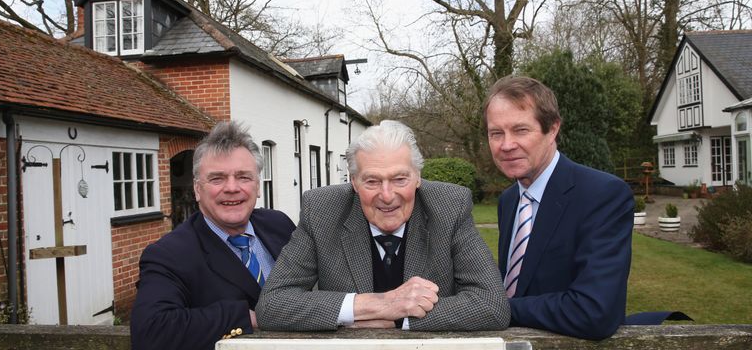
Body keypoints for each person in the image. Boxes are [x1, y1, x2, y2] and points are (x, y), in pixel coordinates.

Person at [256, 120, 510, 331]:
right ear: (354, 182)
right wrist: (375, 305)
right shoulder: (322, 210)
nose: (387, 195)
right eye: (372, 182)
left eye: (400, 179)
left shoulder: (449, 206)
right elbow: (271, 305)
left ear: (417, 178)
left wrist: (400, 318)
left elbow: (492, 305)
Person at [483, 76, 634, 340]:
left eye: (520, 130)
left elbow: (593, 312)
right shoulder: (509, 201)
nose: (506, 145)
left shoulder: (603, 195)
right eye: (496, 133)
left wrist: (496, 309)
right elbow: (518, 281)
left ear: (552, 129)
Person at [130, 121, 296, 350]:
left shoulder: (279, 225)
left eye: (243, 177)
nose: (232, 188)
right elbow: (151, 331)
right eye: (217, 178)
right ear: (198, 189)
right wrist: (249, 318)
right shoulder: (169, 254)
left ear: (257, 186)